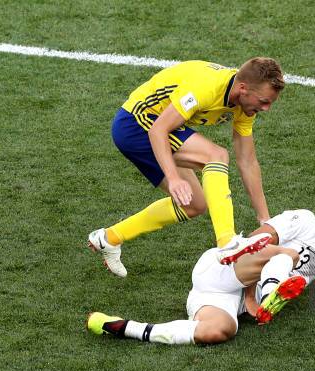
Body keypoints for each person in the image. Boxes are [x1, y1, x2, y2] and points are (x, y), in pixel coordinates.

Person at [86, 187, 315, 345]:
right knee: (283, 253)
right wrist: (252, 292)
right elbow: (259, 238)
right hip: (224, 267)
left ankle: (126, 328)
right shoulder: (303, 221)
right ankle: (270, 292)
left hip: (212, 298)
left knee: (220, 332)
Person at [88, 58, 285, 277]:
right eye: (264, 101)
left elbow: (247, 161)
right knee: (216, 155)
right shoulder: (207, 87)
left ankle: (109, 238)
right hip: (136, 125)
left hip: (158, 128)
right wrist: (173, 177)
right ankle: (227, 243)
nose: (266, 108)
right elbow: (158, 130)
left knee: (194, 205)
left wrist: (265, 220)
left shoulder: (244, 105)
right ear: (243, 89)